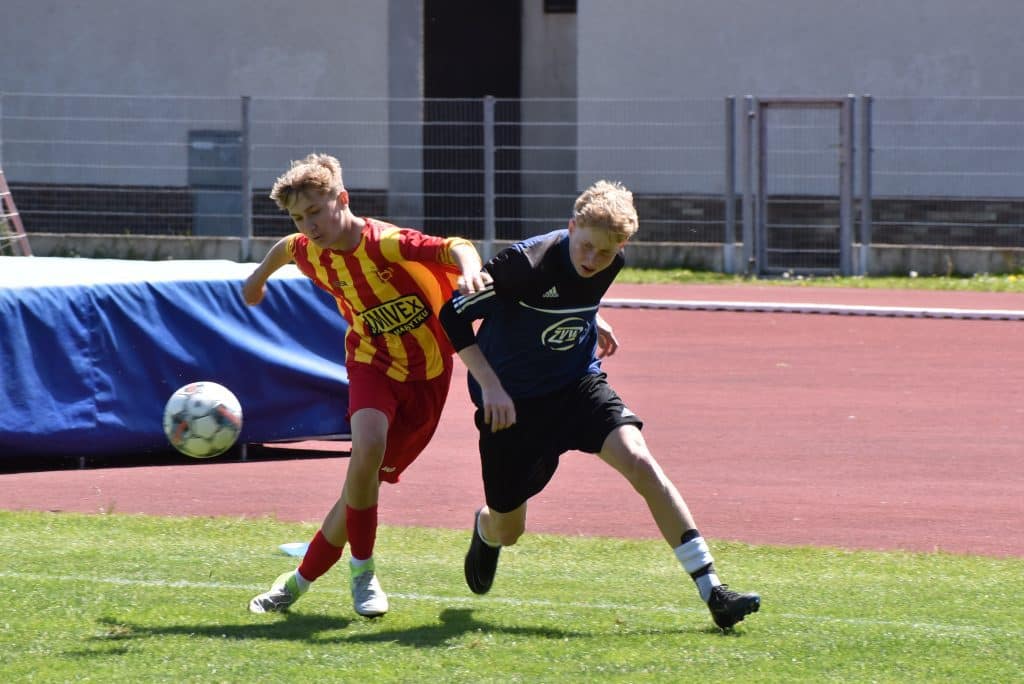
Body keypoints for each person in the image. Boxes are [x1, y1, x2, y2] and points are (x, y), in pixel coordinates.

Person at [438, 180, 761, 630]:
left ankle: (714, 590)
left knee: (640, 461)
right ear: (571, 227)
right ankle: (486, 529)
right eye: (586, 246)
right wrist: (490, 386)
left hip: (577, 385)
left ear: (621, 247)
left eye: (605, 253)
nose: (592, 260)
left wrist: (592, 316)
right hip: (513, 403)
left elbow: (570, 293)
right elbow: (452, 316)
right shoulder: (524, 264)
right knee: (509, 529)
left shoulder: (612, 262)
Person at [243, 153, 488, 618]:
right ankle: (364, 571)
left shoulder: (386, 244)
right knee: (367, 448)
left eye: (315, 212)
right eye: (299, 217)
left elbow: (455, 246)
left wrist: (470, 269)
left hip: (426, 375)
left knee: (361, 485)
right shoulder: (309, 249)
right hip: (370, 361)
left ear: (343, 199)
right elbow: (286, 248)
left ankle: (293, 585)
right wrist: (257, 279)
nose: (309, 226)